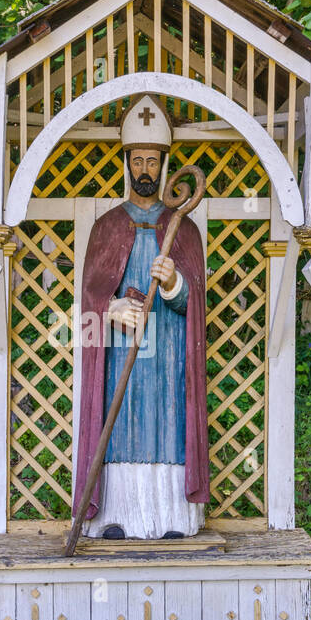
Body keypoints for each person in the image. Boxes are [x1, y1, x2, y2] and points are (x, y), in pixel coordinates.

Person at [75, 93, 209, 539]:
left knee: (169, 421)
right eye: (138, 161)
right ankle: (116, 514)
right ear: (127, 163)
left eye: (153, 161)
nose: (146, 170)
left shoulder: (183, 229)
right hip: (121, 354)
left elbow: (197, 304)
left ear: (164, 165)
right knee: (121, 423)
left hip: (170, 352)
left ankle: (171, 517)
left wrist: (173, 283)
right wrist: (110, 307)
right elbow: (90, 298)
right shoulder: (107, 225)